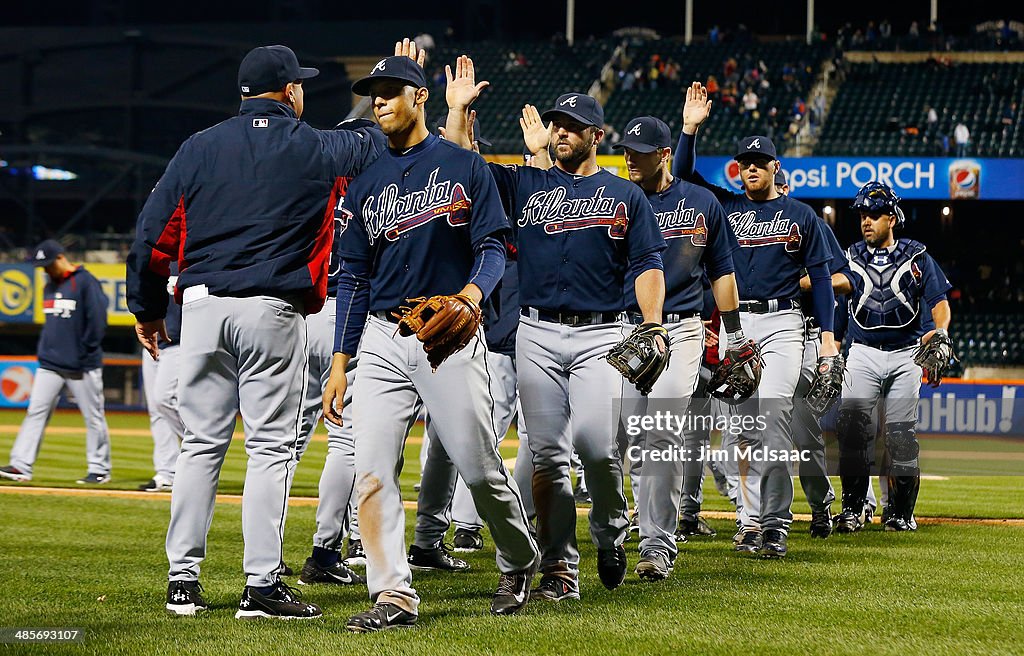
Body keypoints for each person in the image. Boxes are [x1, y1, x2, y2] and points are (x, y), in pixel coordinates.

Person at [127, 43, 386, 620]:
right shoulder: (313, 145)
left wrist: (146, 310)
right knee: (270, 447)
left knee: (200, 446)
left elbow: (150, 234)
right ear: (290, 90)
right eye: (300, 85)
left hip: (199, 308)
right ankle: (261, 587)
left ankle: (182, 583)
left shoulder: (199, 145)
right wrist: (378, 91)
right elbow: (369, 141)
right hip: (270, 309)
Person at [321, 51, 539, 632]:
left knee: (478, 465)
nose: (380, 101)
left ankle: (518, 558)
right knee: (370, 470)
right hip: (381, 338)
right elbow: (354, 279)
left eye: (392, 90)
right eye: (375, 93)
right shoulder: (363, 183)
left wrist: (471, 296)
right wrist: (341, 359)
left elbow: (493, 246)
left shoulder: (463, 165)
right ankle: (392, 593)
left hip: (449, 331)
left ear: (421, 97)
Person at [445, 69, 668, 599]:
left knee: (595, 446)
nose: (561, 131)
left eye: (573, 126)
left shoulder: (625, 195)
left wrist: (655, 325)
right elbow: (463, 168)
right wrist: (457, 113)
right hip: (535, 333)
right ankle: (559, 568)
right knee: (546, 456)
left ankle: (610, 532)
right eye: (557, 124)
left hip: (601, 336)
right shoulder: (526, 185)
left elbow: (648, 264)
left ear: (596, 134)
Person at [675, 82, 840, 559]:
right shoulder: (723, 209)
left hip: (785, 325)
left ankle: (775, 524)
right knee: (740, 430)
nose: (749, 168)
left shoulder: (801, 215)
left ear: (775, 167)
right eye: (743, 163)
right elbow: (683, 173)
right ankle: (749, 522)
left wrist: (827, 336)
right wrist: (689, 129)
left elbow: (823, 281)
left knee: (772, 418)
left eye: (758, 162)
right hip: (736, 327)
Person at [612, 116, 742, 580]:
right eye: (627, 148)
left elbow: (722, 273)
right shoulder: (617, 198)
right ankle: (622, 527)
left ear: (665, 155)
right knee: (621, 441)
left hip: (681, 329)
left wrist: (736, 336)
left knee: (663, 434)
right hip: (623, 330)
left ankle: (656, 545)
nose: (630, 156)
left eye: (641, 150)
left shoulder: (702, 202)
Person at [286, 117, 389, 588]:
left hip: (302, 313)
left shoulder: (309, 184)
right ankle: (327, 549)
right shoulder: (376, 187)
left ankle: (266, 557)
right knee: (346, 441)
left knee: (282, 442)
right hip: (346, 313)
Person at [833, 182, 953, 532]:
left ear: (891, 217)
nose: (866, 221)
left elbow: (939, 302)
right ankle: (854, 509)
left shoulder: (917, 256)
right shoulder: (850, 257)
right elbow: (834, 294)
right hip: (863, 352)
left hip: (906, 354)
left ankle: (900, 513)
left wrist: (941, 332)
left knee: (901, 435)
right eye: (861, 215)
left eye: (873, 214)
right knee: (852, 431)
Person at [0, 240, 111, 485]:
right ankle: (20, 465)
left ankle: (99, 469)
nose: (46, 270)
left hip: (82, 365)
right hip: (50, 363)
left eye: (48, 264)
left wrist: (84, 353)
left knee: (93, 417)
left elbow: (97, 321)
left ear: (61, 257)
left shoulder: (84, 281)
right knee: (35, 412)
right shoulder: (49, 286)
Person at [138, 266, 184, 492]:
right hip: (153, 342)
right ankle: (167, 473)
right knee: (156, 410)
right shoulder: (153, 262)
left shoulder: (190, 257)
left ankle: (202, 445)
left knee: (164, 398)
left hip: (179, 342)